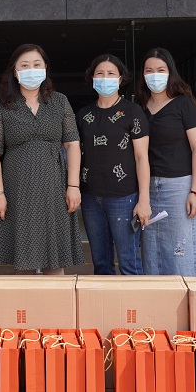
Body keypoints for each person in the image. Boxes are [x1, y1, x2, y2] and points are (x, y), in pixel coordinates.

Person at [0, 44, 83, 274]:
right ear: (15, 72)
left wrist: (74, 186)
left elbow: (72, 144)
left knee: (55, 263)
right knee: (23, 265)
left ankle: (56, 301)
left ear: (45, 68)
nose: (31, 70)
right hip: (18, 191)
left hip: (54, 189)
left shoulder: (59, 101)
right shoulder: (3, 107)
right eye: (25, 65)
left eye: (36, 64)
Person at [135, 48, 196, 276]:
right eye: (149, 70)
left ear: (170, 72)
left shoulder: (184, 104)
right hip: (147, 188)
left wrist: (195, 191)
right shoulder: (139, 107)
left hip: (179, 186)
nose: (154, 75)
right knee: (152, 249)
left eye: (160, 69)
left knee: (183, 249)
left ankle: (192, 294)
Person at [76, 54, 150, 275]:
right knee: (101, 263)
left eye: (110, 73)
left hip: (124, 197)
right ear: (92, 78)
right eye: (100, 73)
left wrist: (144, 199)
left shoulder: (133, 111)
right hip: (90, 197)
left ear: (120, 79)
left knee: (129, 262)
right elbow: (74, 152)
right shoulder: (83, 115)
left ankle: (133, 299)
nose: (105, 78)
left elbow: (142, 158)